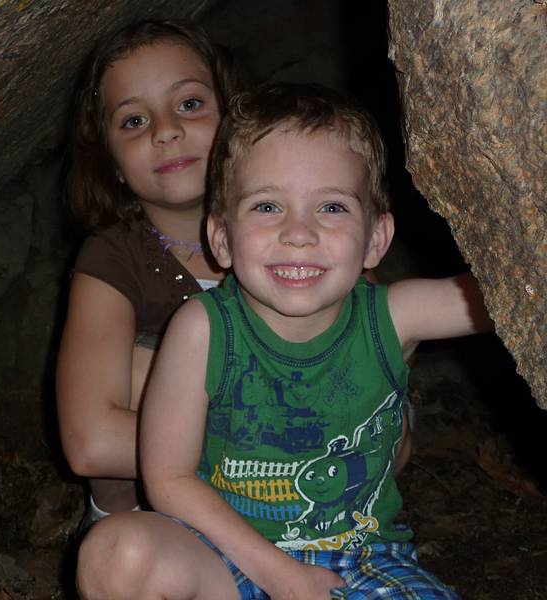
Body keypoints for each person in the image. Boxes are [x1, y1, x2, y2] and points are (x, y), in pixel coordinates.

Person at [76, 82, 493, 599]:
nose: (299, 232)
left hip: (359, 559)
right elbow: (168, 481)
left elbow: (512, 292)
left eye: (333, 208)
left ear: (376, 238)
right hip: (221, 550)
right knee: (117, 554)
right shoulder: (203, 331)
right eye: (268, 206)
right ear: (222, 238)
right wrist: (281, 576)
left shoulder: (393, 316)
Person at [56, 19, 238, 525]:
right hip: (163, 502)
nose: (167, 130)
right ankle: (112, 519)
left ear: (237, 121)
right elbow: (89, 442)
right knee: (148, 369)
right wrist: (267, 445)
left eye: (189, 104)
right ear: (112, 163)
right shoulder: (113, 258)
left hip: (310, 482)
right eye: (134, 121)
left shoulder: (292, 221)